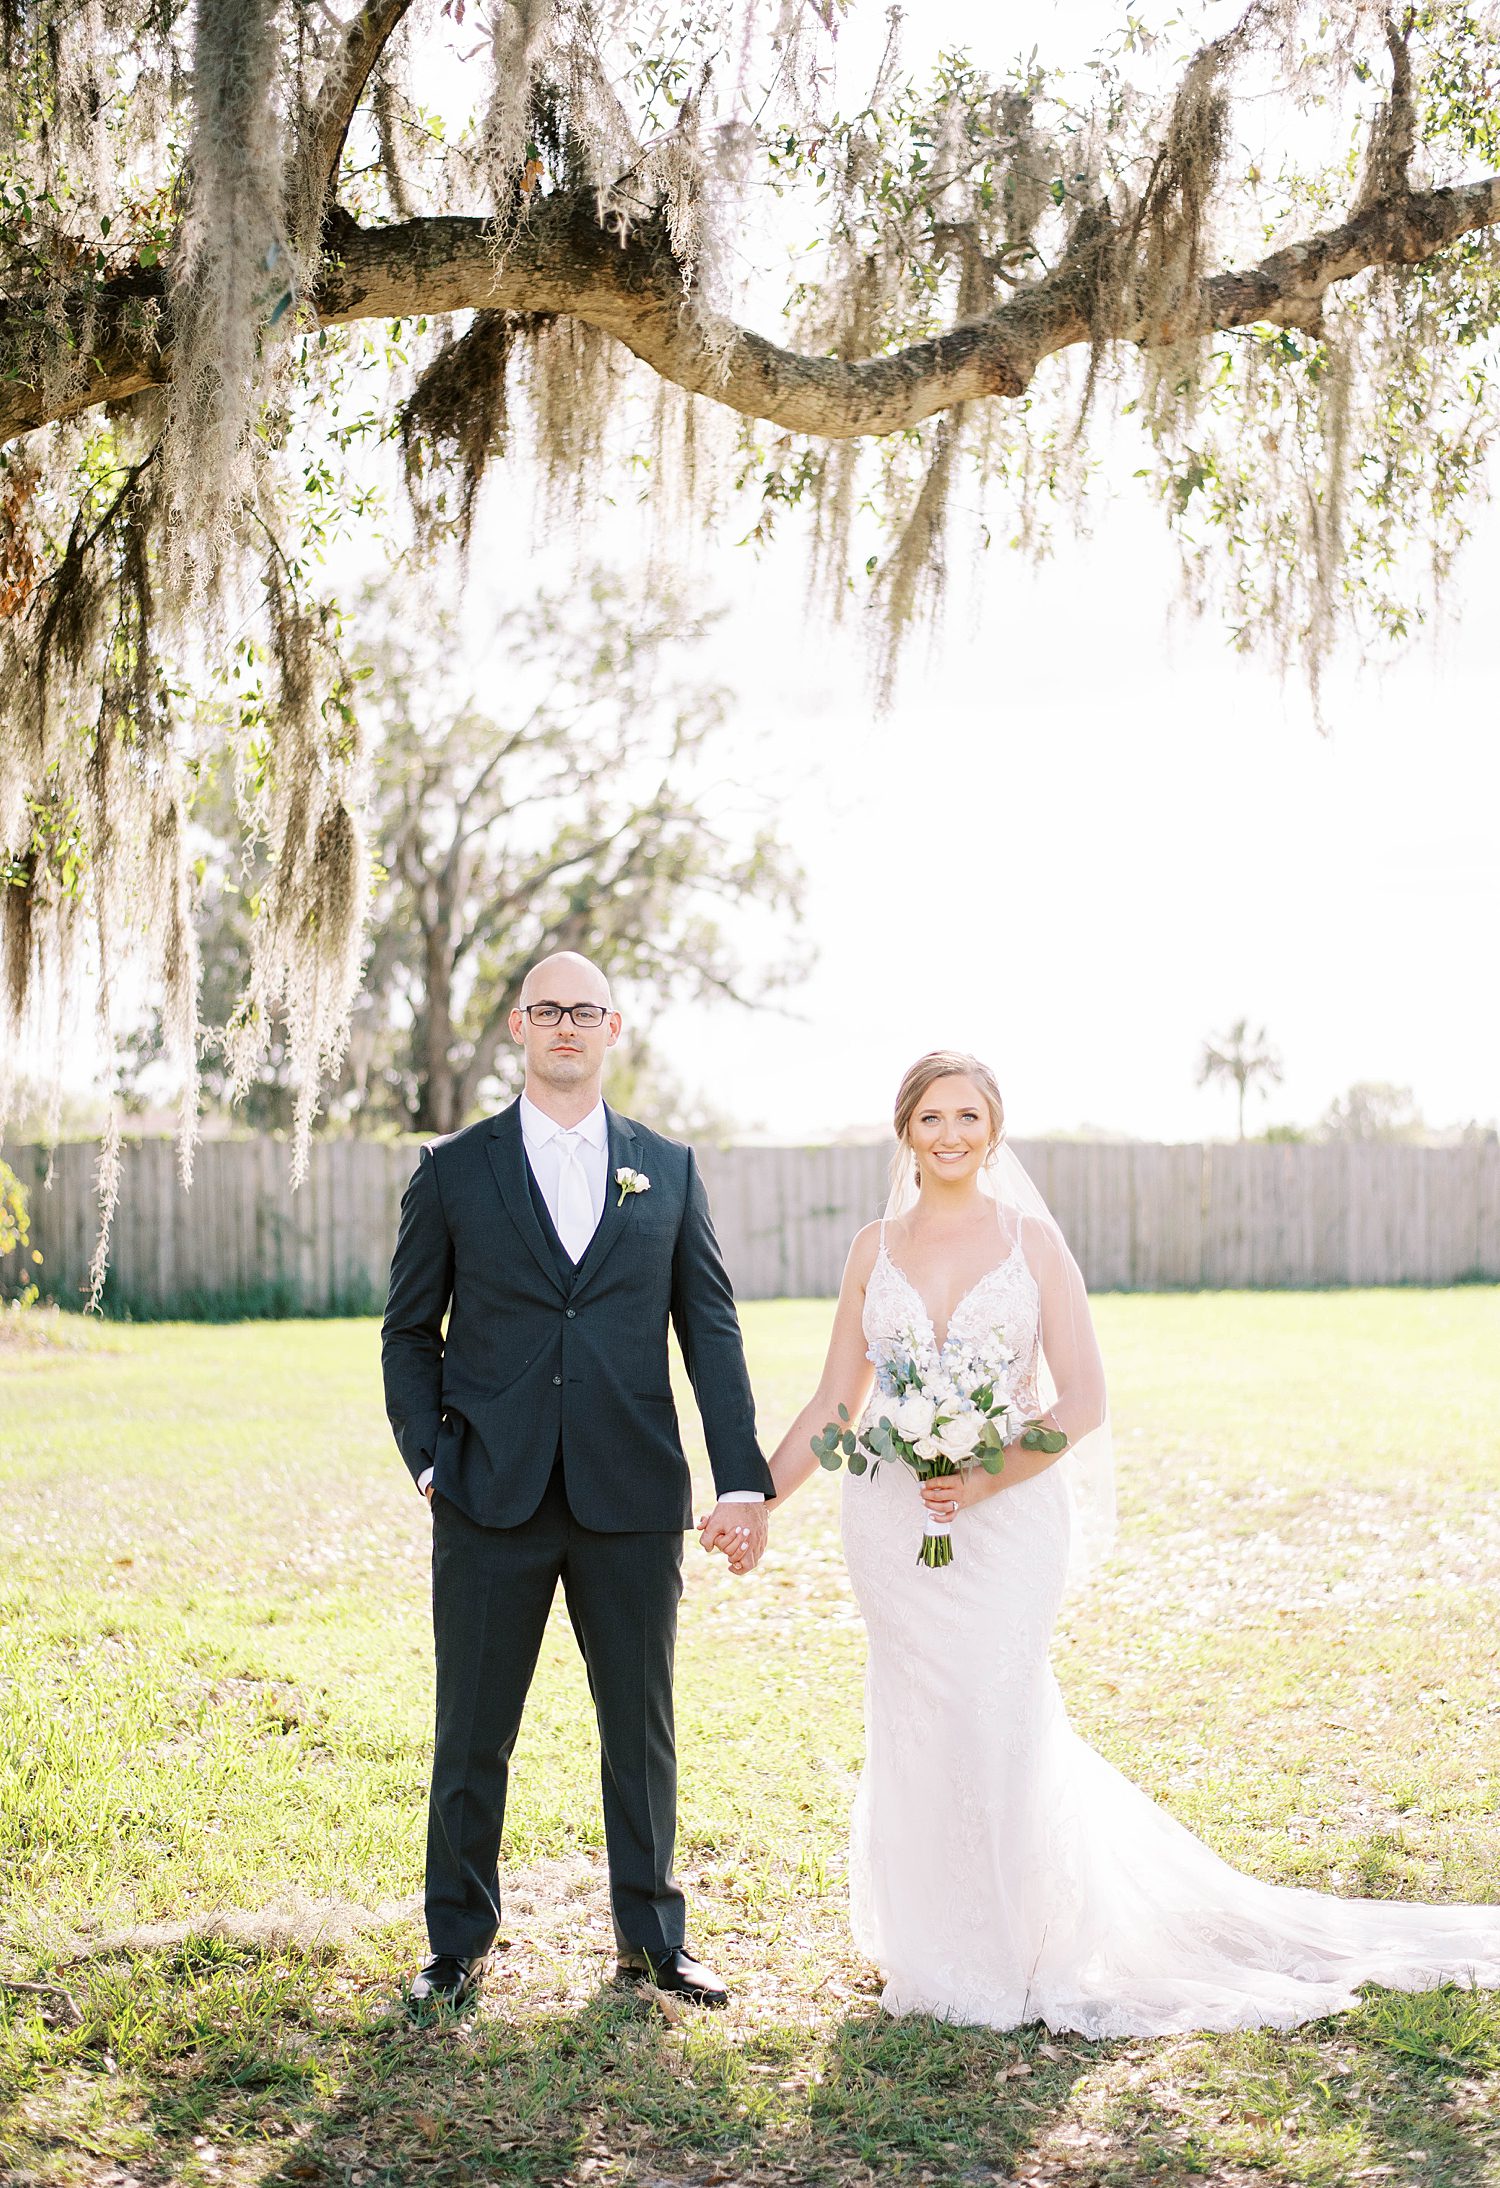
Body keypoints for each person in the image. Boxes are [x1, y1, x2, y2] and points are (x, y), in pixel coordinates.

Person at [752, 1048, 1500, 2036]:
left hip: (1008, 1516)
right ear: (906, 1129)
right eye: (931, 1117)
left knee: (996, 1700)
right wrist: (753, 1496)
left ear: (995, 1126)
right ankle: (938, 1944)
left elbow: (1085, 1399)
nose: (950, 1134)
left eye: (968, 1115)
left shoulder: (1033, 1246)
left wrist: (982, 1474)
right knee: (920, 1709)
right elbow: (831, 1401)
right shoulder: (870, 1248)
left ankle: (1024, 1944)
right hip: (895, 1521)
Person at [382, 951, 772, 2013]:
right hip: (489, 1495)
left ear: (613, 1029)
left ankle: (653, 1937)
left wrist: (742, 1478)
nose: (566, 1025)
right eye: (547, 1009)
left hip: (630, 1494)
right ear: (519, 1026)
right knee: (471, 1726)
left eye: (584, 1010)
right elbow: (410, 1332)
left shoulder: (670, 1168)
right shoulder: (453, 1168)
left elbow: (713, 1333)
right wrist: (430, 1461)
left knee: (638, 1724)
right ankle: (456, 1941)